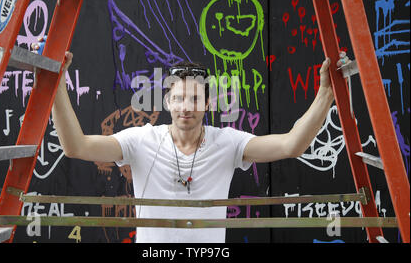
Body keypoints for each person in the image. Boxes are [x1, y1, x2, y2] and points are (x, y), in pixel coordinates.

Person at [45, 39, 350, 243]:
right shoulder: (141, 139)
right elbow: (76, 146)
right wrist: (56, 86)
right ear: (167, 102)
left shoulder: (228, 142)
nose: (186, 107)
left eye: (194, 99)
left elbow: (291, 145)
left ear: (207, 104)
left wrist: (325, 95)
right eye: (178, 98)